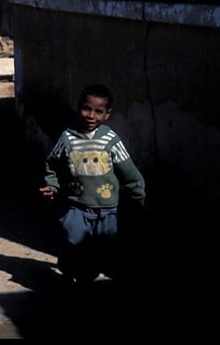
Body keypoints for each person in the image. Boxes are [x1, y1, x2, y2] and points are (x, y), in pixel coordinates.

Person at [39, 83, 146, 287]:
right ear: (79, 106)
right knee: (74, 241)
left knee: (102, 248)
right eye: (87, 108)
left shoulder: (111, 140)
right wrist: (51, 186)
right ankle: (73, 271)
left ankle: (85, 277)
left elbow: (129, 171)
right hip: (76, 205)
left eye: (98, 111)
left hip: (107, 209)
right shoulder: (68, 138)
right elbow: (52, 163)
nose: (91, 115)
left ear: (107, 114)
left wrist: (138, 196)